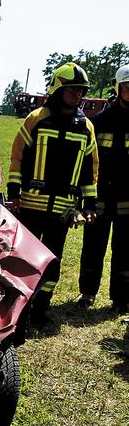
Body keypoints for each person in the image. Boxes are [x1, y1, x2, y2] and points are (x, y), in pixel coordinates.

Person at [7, 62, 98, 324]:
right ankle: (18, 309)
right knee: (25, 258)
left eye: (81, 91)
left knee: (52, 260)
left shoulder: (86, 127)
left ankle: (40, 309)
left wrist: (90, 203)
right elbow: (17, 158)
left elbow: (90, 170)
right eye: (73, 90)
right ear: (58, 89)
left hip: (63, 210)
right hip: (31, 206)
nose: (78, 96)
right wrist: (15, 194)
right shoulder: (36, 119)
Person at [78, 64, 129, 311]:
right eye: (128, 88)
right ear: (118, 88)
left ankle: (121, 298)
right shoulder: (99, 121)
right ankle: (88, 293)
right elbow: (87, 160)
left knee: (125, 249)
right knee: (93, 246)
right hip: (100, 196)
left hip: (127, 197)